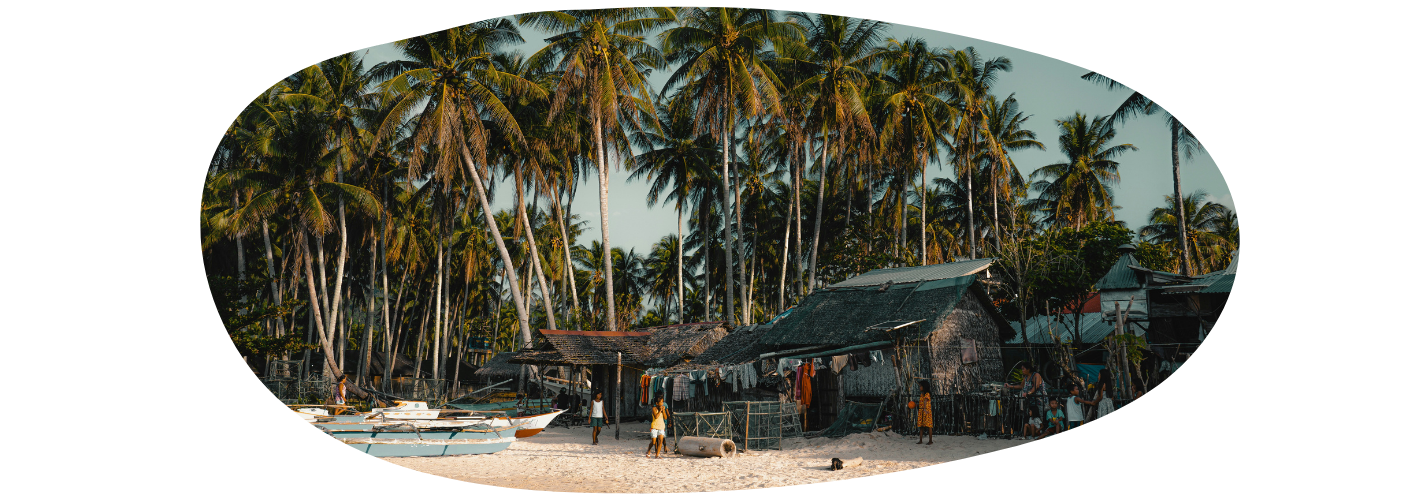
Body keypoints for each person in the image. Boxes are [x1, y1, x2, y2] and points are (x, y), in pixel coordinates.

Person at [915, 380, 933, 445]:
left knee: (929, 426)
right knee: (921, 426)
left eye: (920, 386)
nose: (919, 387)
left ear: (924, 387)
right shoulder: (922, 394)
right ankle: (920, 440)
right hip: (922, 411)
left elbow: (925, 401)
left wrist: (925, 409)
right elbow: (922, 402)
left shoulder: (927, 394)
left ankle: (930, 441)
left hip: (926, 411)